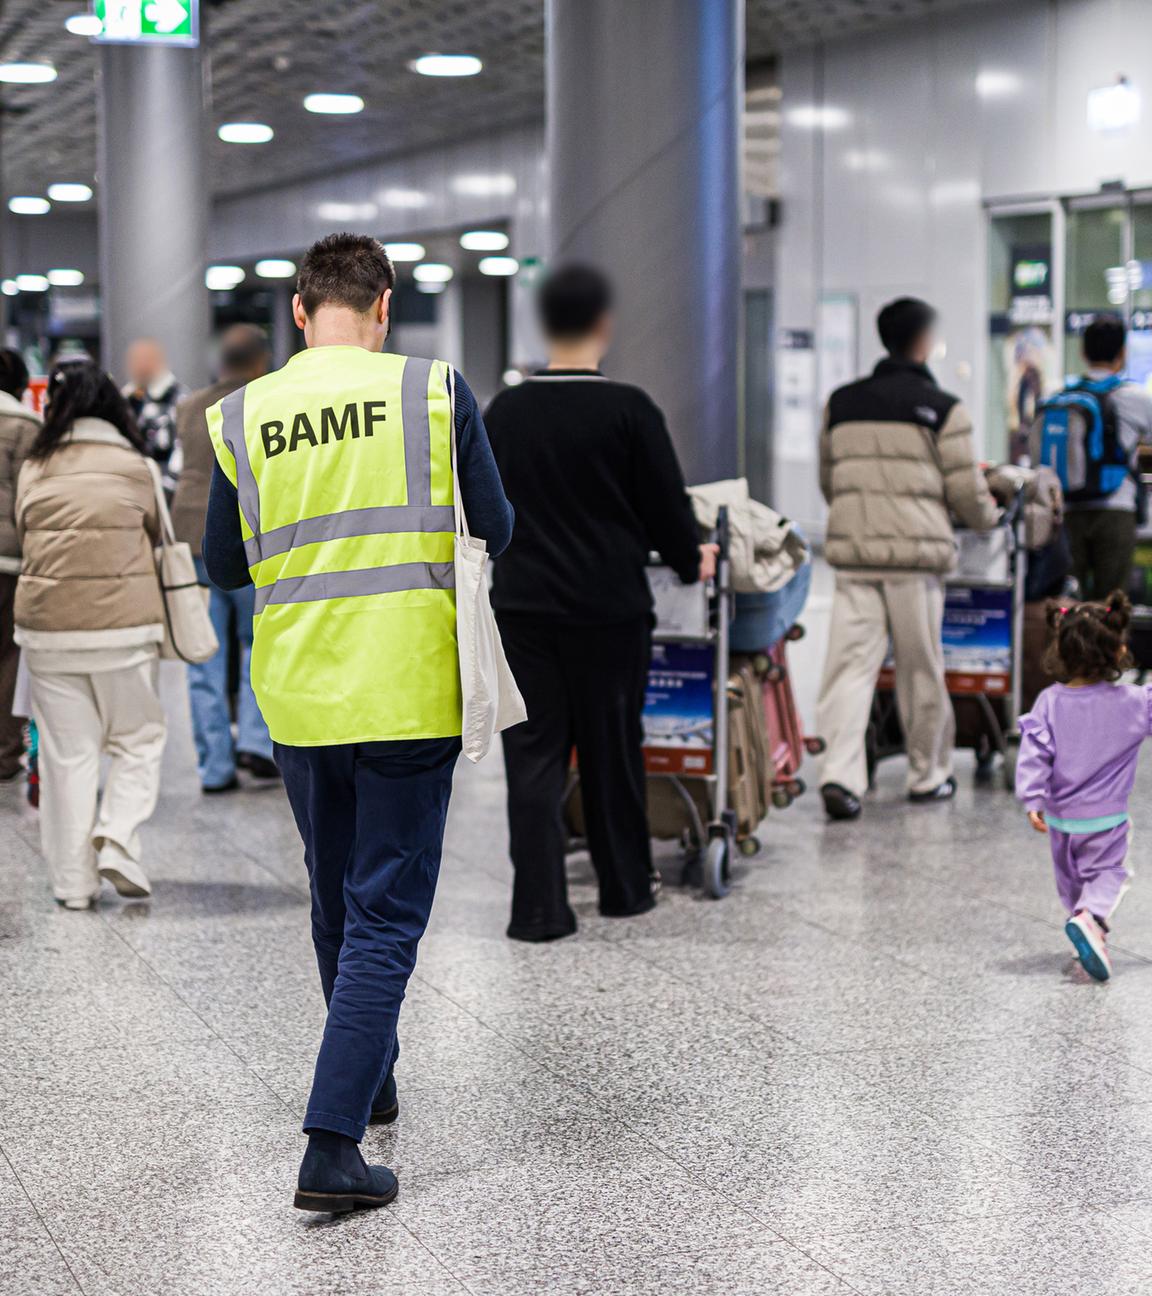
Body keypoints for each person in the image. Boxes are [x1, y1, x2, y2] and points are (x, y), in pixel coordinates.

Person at [202, 233, 513, 1212]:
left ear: (299, 312)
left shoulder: (243, 412)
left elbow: (222, 565)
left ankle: (368, 1072)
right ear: (384, 307)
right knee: (385, 914)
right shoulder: (433, 391)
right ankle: (332, 1146)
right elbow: (497, 527)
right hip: (409, 687)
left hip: (300, 695)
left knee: (337, 900)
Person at [484, 264, 713, 942]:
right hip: (609, 611)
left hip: (524, 610)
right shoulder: (630, 409)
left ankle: (538, 910)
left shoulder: (505, 411)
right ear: (604, 325)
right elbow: (667, 509)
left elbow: (482, 509)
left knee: (532, 760)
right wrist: (689, 559)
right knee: (612, 752)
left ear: (545, 325)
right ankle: (624, 889)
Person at [817, 296, 1000, 820]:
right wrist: (989, 517)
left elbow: (830, 481)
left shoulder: (841, 403)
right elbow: (966, 492)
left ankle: (840, 776)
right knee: (920, 669)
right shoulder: (943, 408)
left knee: (849, 669)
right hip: (914, 563)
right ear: (923, 341)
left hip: (856, 558)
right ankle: (927, 775)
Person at [14, 360, 166, 908]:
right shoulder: (136, 466)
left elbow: (26, 530)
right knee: (138, 739)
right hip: (125, 629)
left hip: (48, 630)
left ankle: (73, 886)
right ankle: (118, 838)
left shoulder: (35, 466)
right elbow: (157, 532)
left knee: (67, 755)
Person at [1016, 591, 1148, 982]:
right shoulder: (1133, 702)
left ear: (1060, 649)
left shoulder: (1049, 702)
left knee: (1072, 884)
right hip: (1105, 819)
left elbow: (1034, 753)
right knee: (1110, 874)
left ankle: (1088, 930)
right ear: (1118, 650)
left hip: (1060, 821)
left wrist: (1032, 798)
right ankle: (1091, 920)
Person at [172, 325, 278, 792]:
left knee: (204, 654)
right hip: (249, 535)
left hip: (191, 536)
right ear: (260, 362)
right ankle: (255, 744)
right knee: (258, 644)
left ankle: (214, 767)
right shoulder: (265, 401)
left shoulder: (190, 406)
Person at [1061, 315, 1152, 600]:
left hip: (1069, 510)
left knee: (1069, 599)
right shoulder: (1135, 398)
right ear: (1122, 354)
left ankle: (1069, 631)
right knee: (1111, 602)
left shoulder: (1062, 398)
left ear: (1083, 352)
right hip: (1116, 509)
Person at [0, 349, 38, 781]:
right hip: (9, 557)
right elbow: (31, 496)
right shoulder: (25, 426)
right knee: (9, 655)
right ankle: (5, 753)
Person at [123, 337, 185, 492]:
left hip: (164, 490)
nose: (141, 366)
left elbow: (182, 450)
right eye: (136, 360)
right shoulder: (124, 401)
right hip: (129, 489)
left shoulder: (179, 400)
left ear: (161, 362)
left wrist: (166, 491)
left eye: (148, 359)